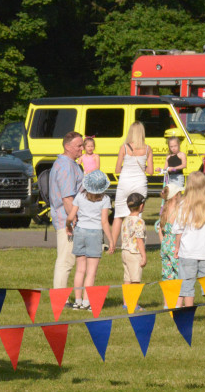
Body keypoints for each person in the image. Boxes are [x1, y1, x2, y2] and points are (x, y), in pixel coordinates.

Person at [66, 170, 113, 310]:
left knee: (80, 269)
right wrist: (111, 240)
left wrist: (68, 226)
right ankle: (87, 302)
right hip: (95, 233)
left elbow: (71, 216)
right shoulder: (105, 199)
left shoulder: (80, 196)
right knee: (91, 271)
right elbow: (104, 222)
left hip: (80, 232)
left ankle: (78, 301)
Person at [173, 171, 205, 310]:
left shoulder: (182, 206)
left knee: (187, 285)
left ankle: (188, 312)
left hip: (187, 252)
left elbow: (178, 231)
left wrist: (176, 248)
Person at [49, 131, 85, 289]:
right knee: (65, 261)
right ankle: (60, 299)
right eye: (79, 145)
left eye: (82, 145)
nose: (82, 148)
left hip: (68, 219)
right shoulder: (66, 166)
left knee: (68, 260)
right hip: (67, 221)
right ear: (67, 147)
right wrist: (72, 222)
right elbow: (67, 198)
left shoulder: (69, 163)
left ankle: (61, 298)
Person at [110, 122, 153, 248]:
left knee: (118, 215)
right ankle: (134, 244)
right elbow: (150, 171)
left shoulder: (124, 147)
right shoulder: (147, 149)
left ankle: (112, 246)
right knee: (137, 214)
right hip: (140, 183)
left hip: (125, 182)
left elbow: (117, 169)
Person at [155, 182, 184, 281]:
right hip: (175, 244)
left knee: (167, 276)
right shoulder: (178, 210)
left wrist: (163, 242)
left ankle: (168, 295)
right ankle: (180, 295)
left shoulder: (165, 209)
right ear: (175, 196)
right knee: (179, 274)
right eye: (180, 193)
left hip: (165, 245)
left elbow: (160, 229)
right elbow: (180, 229)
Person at [119, 193, 147, 286]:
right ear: (141, 206)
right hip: (134, 253)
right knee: (135, 281)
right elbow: (139, 240)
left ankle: (126, 301)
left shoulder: (125, 219)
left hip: (125, 252)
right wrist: (143, 256)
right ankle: (133, 301)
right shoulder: (139, 221)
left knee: (127, 280)